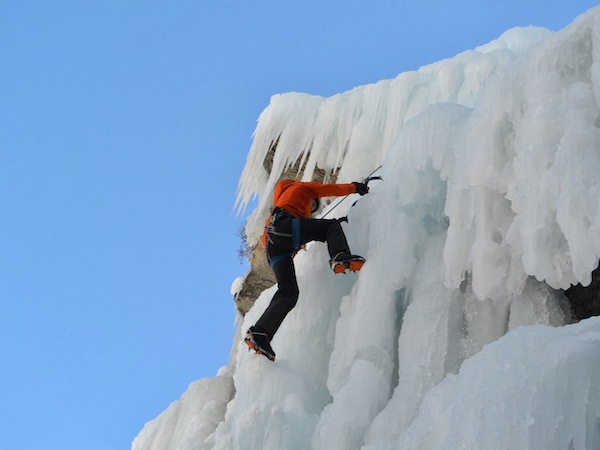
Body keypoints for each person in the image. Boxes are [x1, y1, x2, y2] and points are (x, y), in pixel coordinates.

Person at [244, 179, 369, 360]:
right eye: (313, 205)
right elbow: (330, 189)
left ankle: (260, 333)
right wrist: (356, 187)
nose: (311, 207)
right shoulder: (303, 187)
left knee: (288, 293)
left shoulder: (281, 201)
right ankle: (339, 255)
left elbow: (299, 231)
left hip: (273, 248)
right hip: (284, 228)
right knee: (330, 226)